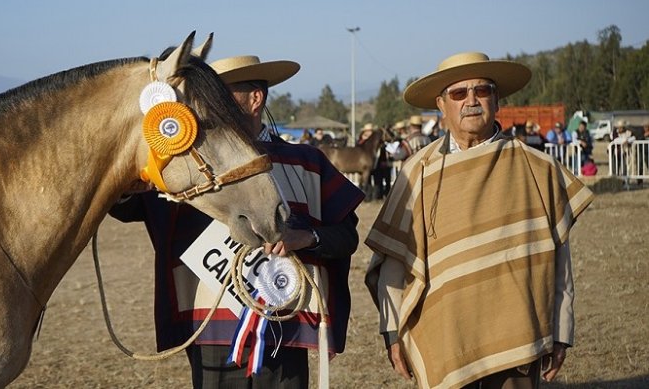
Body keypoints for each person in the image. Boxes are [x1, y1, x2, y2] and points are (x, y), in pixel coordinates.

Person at [110, 54, 364, 388]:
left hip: (285, 327)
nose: (206, 105)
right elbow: (126, 207)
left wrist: (305, 239)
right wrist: (128, 170)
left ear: (255, 98)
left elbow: (346, 237)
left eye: (220, 94)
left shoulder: (307, 163)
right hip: (208, 327)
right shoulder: (186, 164)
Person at [364, 52, 594, 389]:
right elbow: (395, 261)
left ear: (497, 100)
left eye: (482, 91)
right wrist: (391, 330)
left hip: (518, 338)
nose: (471, 101)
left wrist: (562, 329)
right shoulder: (417, 172)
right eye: (459, 94)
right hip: (445, 339)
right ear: (441, 106)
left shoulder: (536, 167)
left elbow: (560, 258)